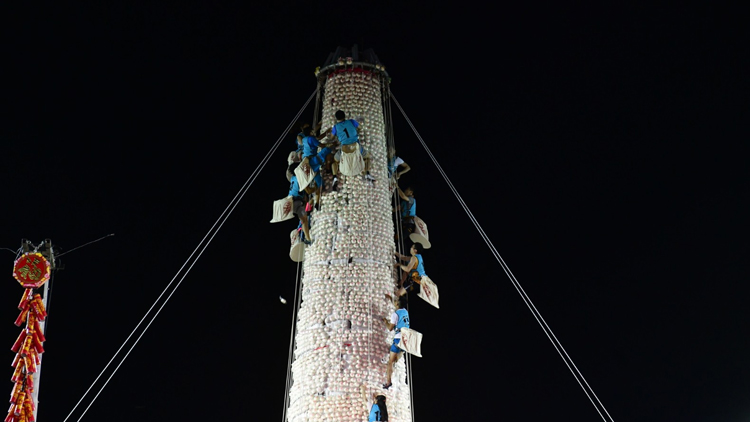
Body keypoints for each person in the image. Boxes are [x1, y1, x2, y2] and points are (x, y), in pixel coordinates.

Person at [382, 294, 409, 389]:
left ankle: (388, 382)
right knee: (395, 359)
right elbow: (397, 306)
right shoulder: (405, 312)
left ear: (397, 303)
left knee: (390, 362)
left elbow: (390, 328)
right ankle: (394, 367)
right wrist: (390, 299)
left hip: (398, 339)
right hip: (406, 339)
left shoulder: (395, 314)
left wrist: (385, 321)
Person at [287, 162, 313, 243]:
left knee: (305, 214)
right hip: (296, 202)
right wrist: (316, 187)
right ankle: (308, 239)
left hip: (291, 201)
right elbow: (308, 191)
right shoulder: (299, 178)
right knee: (304, 220)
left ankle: (307, 235)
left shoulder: (293, 178)